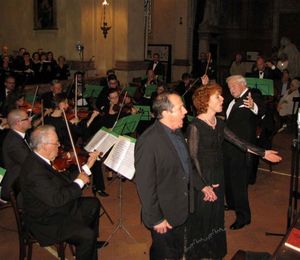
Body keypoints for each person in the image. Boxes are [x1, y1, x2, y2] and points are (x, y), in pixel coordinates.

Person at [186, 82, 281, 259]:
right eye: (218, 97)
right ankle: (197, 253)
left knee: (215, 215)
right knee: (202, 216)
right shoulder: (195, 127)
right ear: (206, 101)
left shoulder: (218, 123)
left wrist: (263, 152)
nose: (223, 98)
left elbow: (239, 142)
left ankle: (212, 251)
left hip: (218, 175)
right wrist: (204, 186)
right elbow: (191, 161)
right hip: (202, 178)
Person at [20, 125, 104, 260]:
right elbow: (57, 199)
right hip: (46, 220)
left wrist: (87, 166)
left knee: (93, 204)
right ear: (44, 146)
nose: (59, 146)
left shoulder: (41, 159)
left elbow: (64, 180)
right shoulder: (34, 172)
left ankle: (88, 245)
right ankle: (87, 240)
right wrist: (80, 182)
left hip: (56, 207)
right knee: (87, 235)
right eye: (56, 143)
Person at [135, 92, 201, 259]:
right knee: (164, 254)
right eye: (180, 108)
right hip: (164, 213)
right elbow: (145, 185)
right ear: (165, 113)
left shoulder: (177, 131)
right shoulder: (148, 141)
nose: (186, 111)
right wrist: (156, 219)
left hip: (180, 207)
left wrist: (202, 185)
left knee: (176, 250)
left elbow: (186, 167)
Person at [223, 75, 266, 230]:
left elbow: (262, 111)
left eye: (234, 86)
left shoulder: (253, 96)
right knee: (227, 178)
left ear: (243, 84)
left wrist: (253, 106)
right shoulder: (231, 99)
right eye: (229, 87)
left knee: (239, 183)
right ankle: (232, 204)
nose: (231, 89)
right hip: (228, 145)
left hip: (242, 148)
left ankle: (243, 217)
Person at [0, 109, 32, 201]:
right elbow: (31, 164)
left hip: (22, 177)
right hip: (15, 187)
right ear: (18, 123)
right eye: (27, 118)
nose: (30, 119)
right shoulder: (14, 143)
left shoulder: (18, 135)